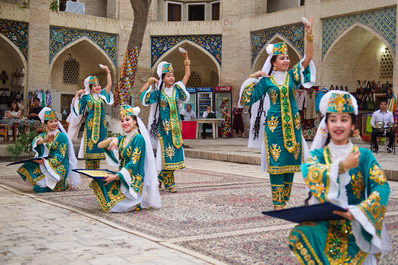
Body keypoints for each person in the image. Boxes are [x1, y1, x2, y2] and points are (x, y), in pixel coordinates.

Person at [289, 90, 391, 264]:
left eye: (344, 119)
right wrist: (341, 167)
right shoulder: (319, 155)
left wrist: (360, 212)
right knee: (301, 234)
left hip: (357, 223)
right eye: (333, 119)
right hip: (327, 225)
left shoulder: (364, 156)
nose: (338, 125)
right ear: (326, 125)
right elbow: (310, 173)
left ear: (352, 125)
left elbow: (381, 187)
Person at [239, 17, 315, 210]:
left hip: (293, 126)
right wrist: (253, 77)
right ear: (273, 62)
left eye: (288, 58)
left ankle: (285, 196)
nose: (287, 61)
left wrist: (309, 34)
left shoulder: (292, 76)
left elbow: (307, 59)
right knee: (276, 161)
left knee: (290, 163)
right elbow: (247, 99)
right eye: (282, 58)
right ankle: (277, 201)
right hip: (274, 126)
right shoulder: (266, 82)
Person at [91, 105, 161, 212]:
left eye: (127, 119)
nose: (124, 123)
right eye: (122, 120)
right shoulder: (123, 138)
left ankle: (135, 202)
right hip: (123, 176)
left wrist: (116, 177)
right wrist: (113, 139)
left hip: (132, 179)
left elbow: (133, 163)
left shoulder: (138, 138)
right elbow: (100, 145)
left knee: (114, 206)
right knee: (99, 181)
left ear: (135, 122)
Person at [140, 48, 190, 193]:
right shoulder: (158, 93)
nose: (171, 78)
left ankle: (161, 178)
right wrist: (149, 82)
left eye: (173, 76)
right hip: (164, 130)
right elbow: (142, 95)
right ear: (163, 77)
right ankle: (170, 184)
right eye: (168, 76)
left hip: (176, 129)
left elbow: (187, 74)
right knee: (167, 158)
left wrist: (186, 58)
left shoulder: (177, 90)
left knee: (175, 157)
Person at [17, 108, 80, 193]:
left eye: (56, 121)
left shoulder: (62, 136)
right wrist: (45, 140)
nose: (54, 124)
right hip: (46, 164)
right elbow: (35, 141)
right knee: (28, 165)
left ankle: (56, 185)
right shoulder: (44, 135)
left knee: (38, 188)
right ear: (46, 124)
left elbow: (60, 158)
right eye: (51, 122)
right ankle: (45, 184)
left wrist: (44, 162)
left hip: (58, 167)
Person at [69, 65, 113, 169]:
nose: (98, 87)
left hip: (101, 125)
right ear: (90, 88)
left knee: (99, 145)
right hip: (91, 125)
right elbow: (78, 109)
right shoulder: (86, 97)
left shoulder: (102, 94)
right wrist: (77, 95)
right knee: (90, 145)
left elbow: (109, 84)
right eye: (94, 86)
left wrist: (107, 71)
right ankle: (89, 168)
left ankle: (96, 168)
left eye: (98, 85)